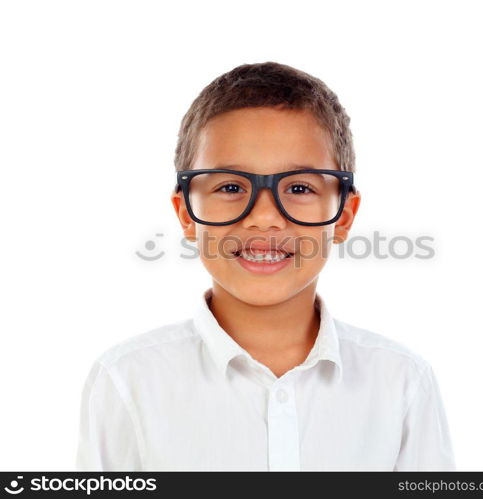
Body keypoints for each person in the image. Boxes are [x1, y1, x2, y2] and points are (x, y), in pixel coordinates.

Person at [75, 61, 456, 471]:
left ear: (343, 216)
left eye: (298, 188)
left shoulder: (402, 382)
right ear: (187, 213)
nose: (264, 217)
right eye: (231, 187)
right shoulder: (127, 380)